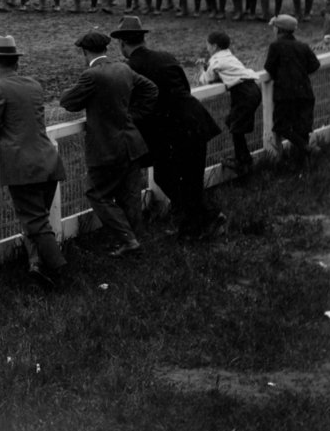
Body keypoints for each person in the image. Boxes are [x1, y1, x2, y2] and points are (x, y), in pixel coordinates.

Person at [111, 15, 223, 239]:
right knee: (189, 179)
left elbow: (136, 105)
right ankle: (197, 223)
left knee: (168, 177)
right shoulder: (166, 57)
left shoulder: (129, 68)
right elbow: (184, 88)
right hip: (195, 120)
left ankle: (205, 217)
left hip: (174, 131)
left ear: (122, 44)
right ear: (142, 38)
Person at [0, 34, 68, 287]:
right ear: (16, 62)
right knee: (38, 220)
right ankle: (36, 266)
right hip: (48, 161)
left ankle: (60, 271)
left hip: (23, 167)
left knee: (35, 221)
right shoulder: (34, 85)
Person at [60, 30, 155, 257]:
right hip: (131, 143)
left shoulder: (91, 75)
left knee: (97, 193)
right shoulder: (123, 68)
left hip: (106, 147)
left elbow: (68, 102)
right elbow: (151, 89)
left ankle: (128, 239)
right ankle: (134, 240)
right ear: (106, 48)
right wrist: (132, 114)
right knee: (129, 194)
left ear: (84, 52)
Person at [262, 13, 321, 171]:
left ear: (279, 30)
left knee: (281, 126)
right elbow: (315, 65)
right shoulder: (302, 46)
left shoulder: (275, 46)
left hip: (285, 94)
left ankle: (308, 149)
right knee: (302, 128)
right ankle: (303, 166)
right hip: (305, 92)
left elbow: (269, 68)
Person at [200, 30, 262, 181]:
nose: (206, 47)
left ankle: (243, 162)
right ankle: (243, 158)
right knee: (232, 122)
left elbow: (205, 80)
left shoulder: (216, 61)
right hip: (251, 89)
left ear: (214, 46)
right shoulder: (229, 56)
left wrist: (200, 68)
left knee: (236, 127)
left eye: (207, 44)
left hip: (243, 94)